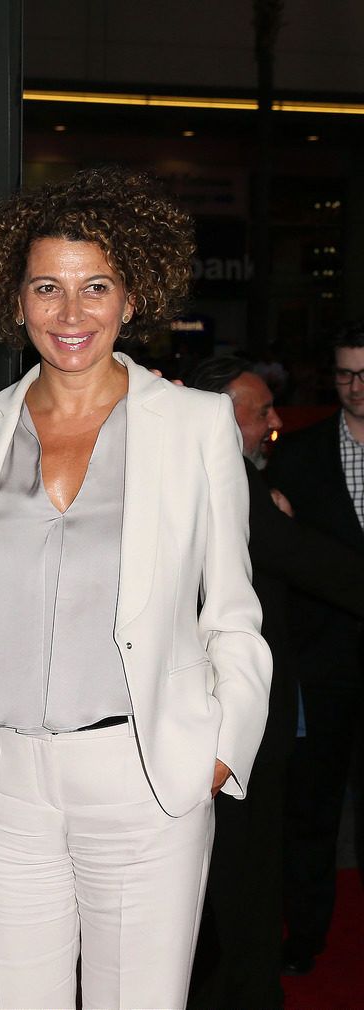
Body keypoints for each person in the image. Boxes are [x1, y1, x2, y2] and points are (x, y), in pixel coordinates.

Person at [0, 166, 272, 1010]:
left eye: (96, 287)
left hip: (144, 771)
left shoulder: (195, 426)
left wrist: (217, 751)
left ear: (131, 299)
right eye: (47, 288)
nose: (71, 313)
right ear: (15, 302)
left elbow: (234, 609)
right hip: (1, 778)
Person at [187, 356, 364, 1009]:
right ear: (219, 417)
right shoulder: (224, 478)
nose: (275, 423)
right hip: (231, 711)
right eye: (260, 413)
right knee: (244, 860)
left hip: (240, 702)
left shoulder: (228, 475)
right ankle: (241, 988)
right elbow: (303, 559)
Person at [267, 321, 364, 976]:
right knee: (311, 814)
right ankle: (303, 940)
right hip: (324, 664)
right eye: (345, 374)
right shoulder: (298, 456)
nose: (355, 387)